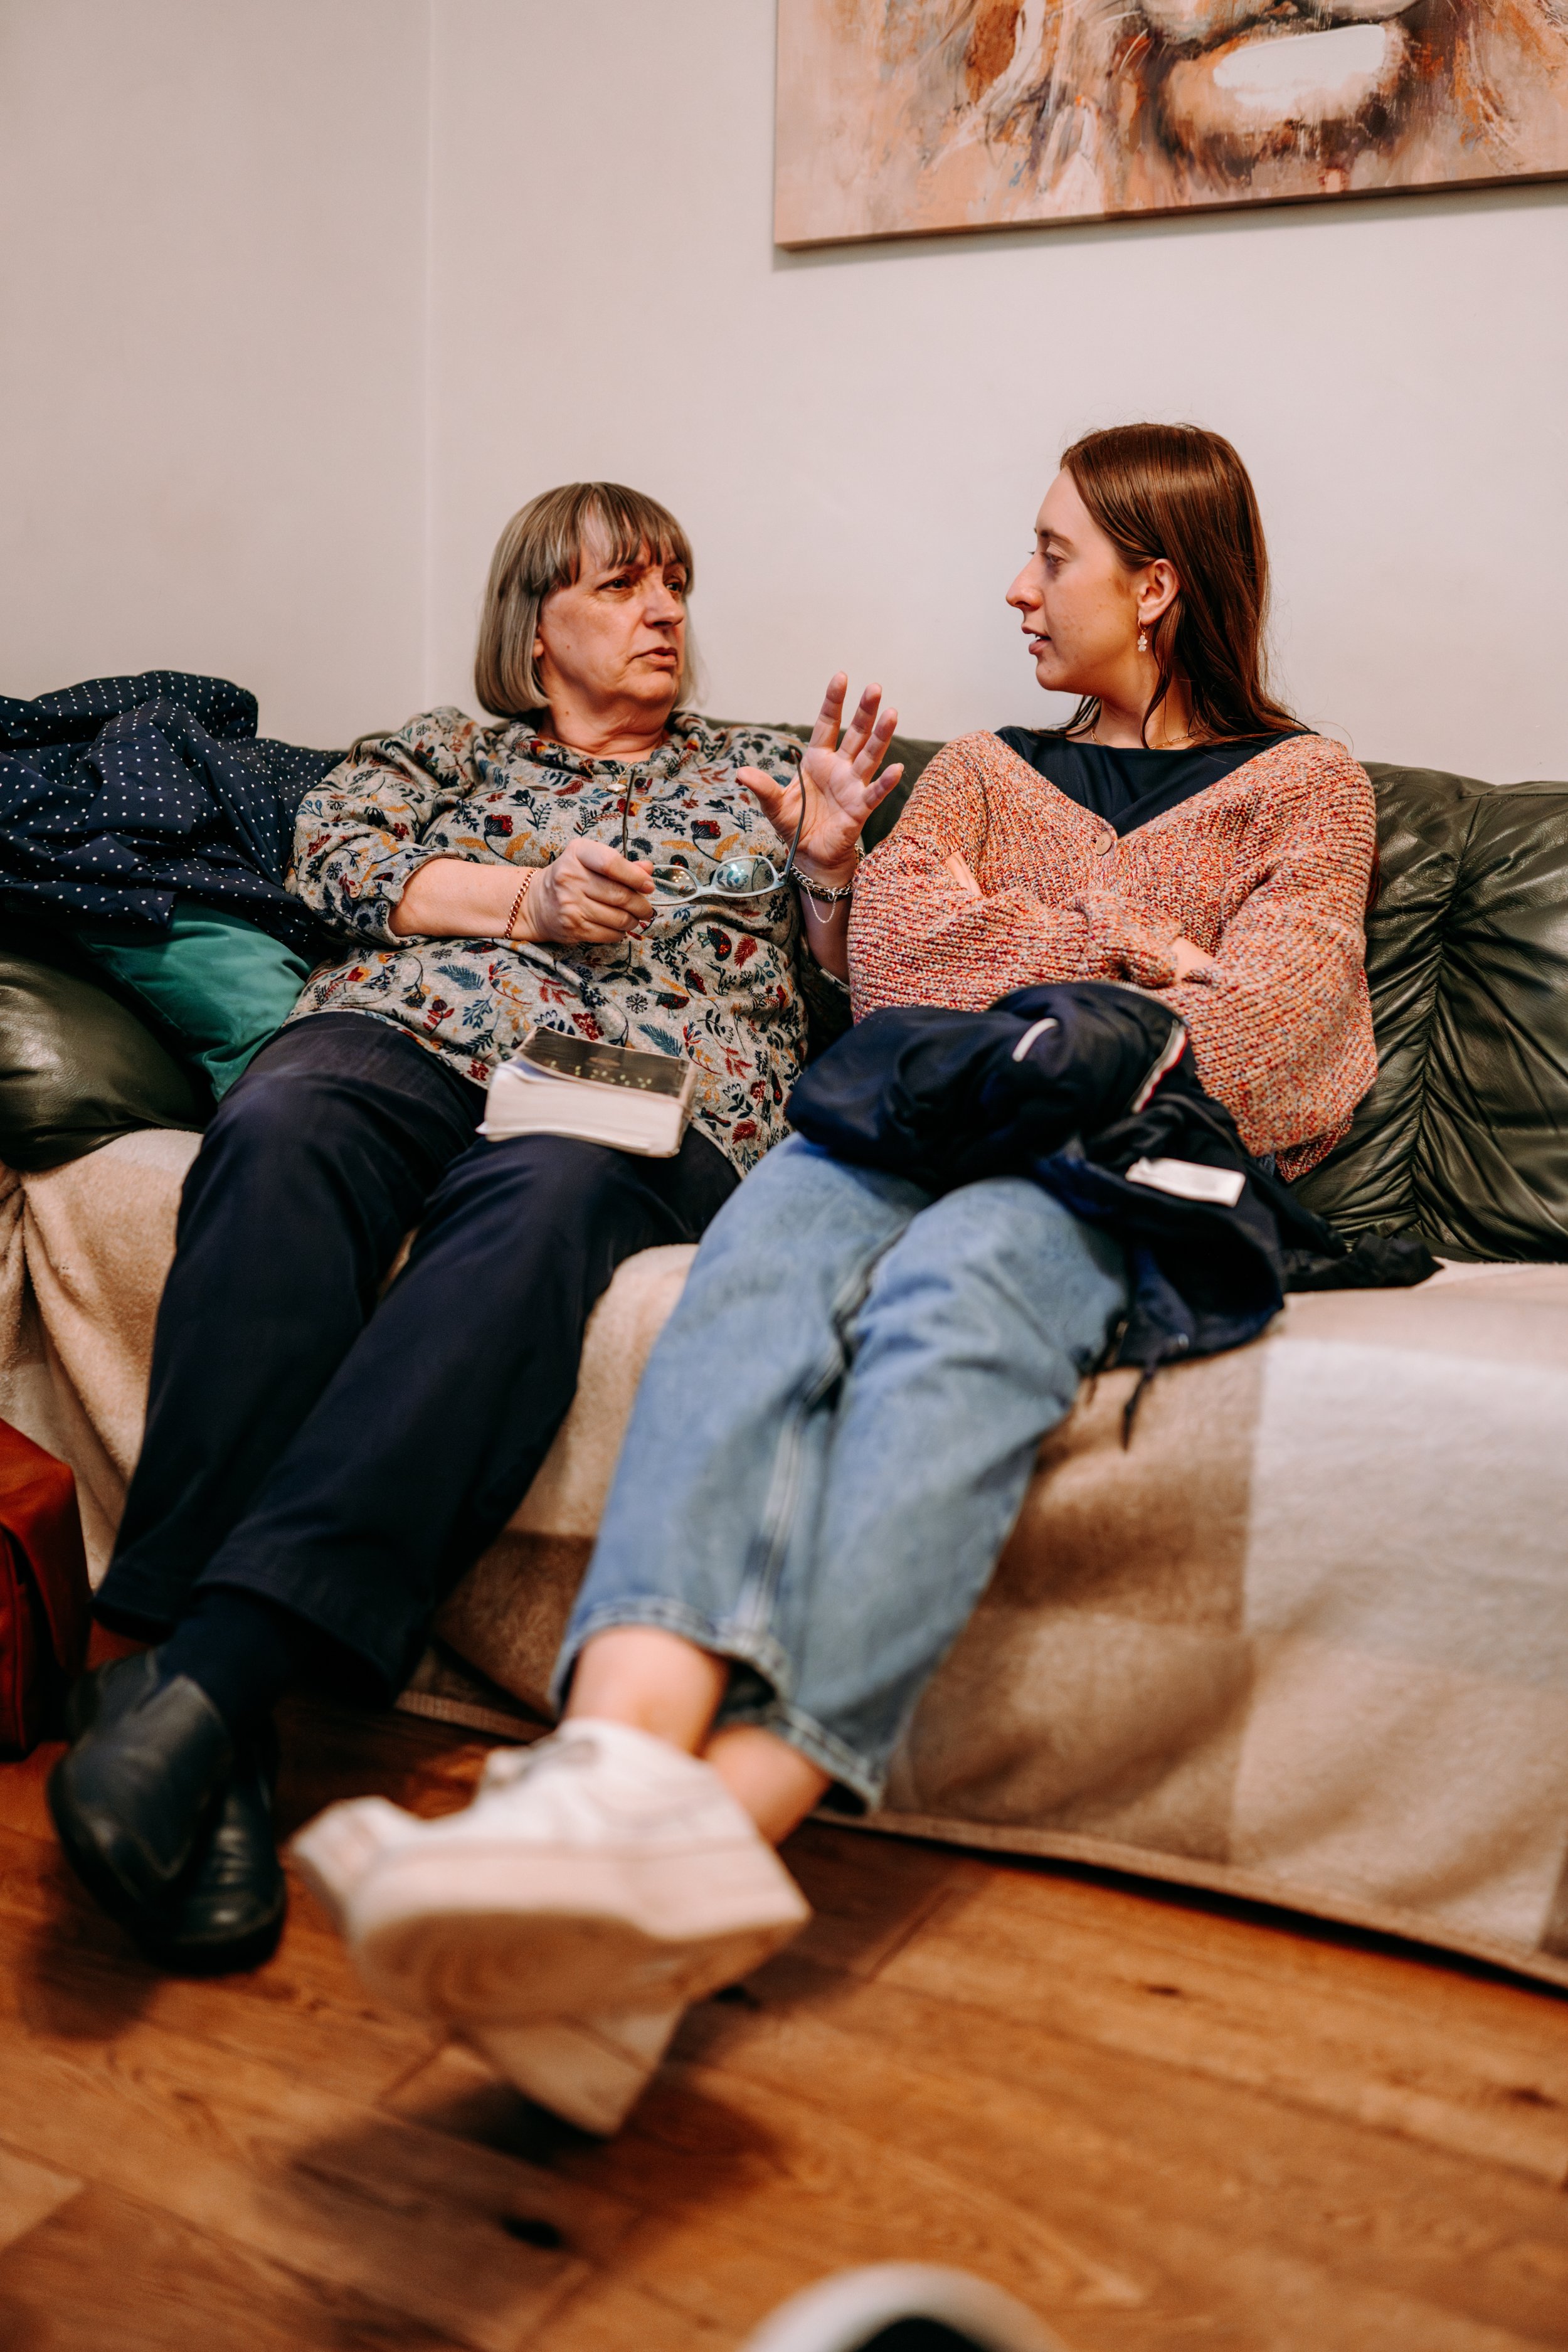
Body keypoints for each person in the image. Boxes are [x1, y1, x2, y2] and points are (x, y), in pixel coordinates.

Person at [295, 423, 1380, 2134]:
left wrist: (1049, 963)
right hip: (900, 1116)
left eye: (1051, 556)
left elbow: (1268, 1045)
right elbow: (891, 973)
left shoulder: (1307, 786)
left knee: (954, 1307)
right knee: (751, 1275)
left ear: (1154, 587)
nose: (1015, 588)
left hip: (1096, 1169)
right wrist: (1142, 959)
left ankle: (703, 1843)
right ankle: (606, 1779)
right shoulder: (979, 773)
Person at [48, 480, 905, 1973]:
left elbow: (854, 996)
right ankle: (210, 1726)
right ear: (533, 625)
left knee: (544, 1201)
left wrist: (828, 873)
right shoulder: (436, 752)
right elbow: (335, 870)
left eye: (674, 582)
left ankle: (204, 1685)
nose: (662, 609)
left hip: (640, 1087)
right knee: (282, 1127)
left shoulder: (768, 772)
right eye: (620, 584)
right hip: (413, 1029)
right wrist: (528, 899)